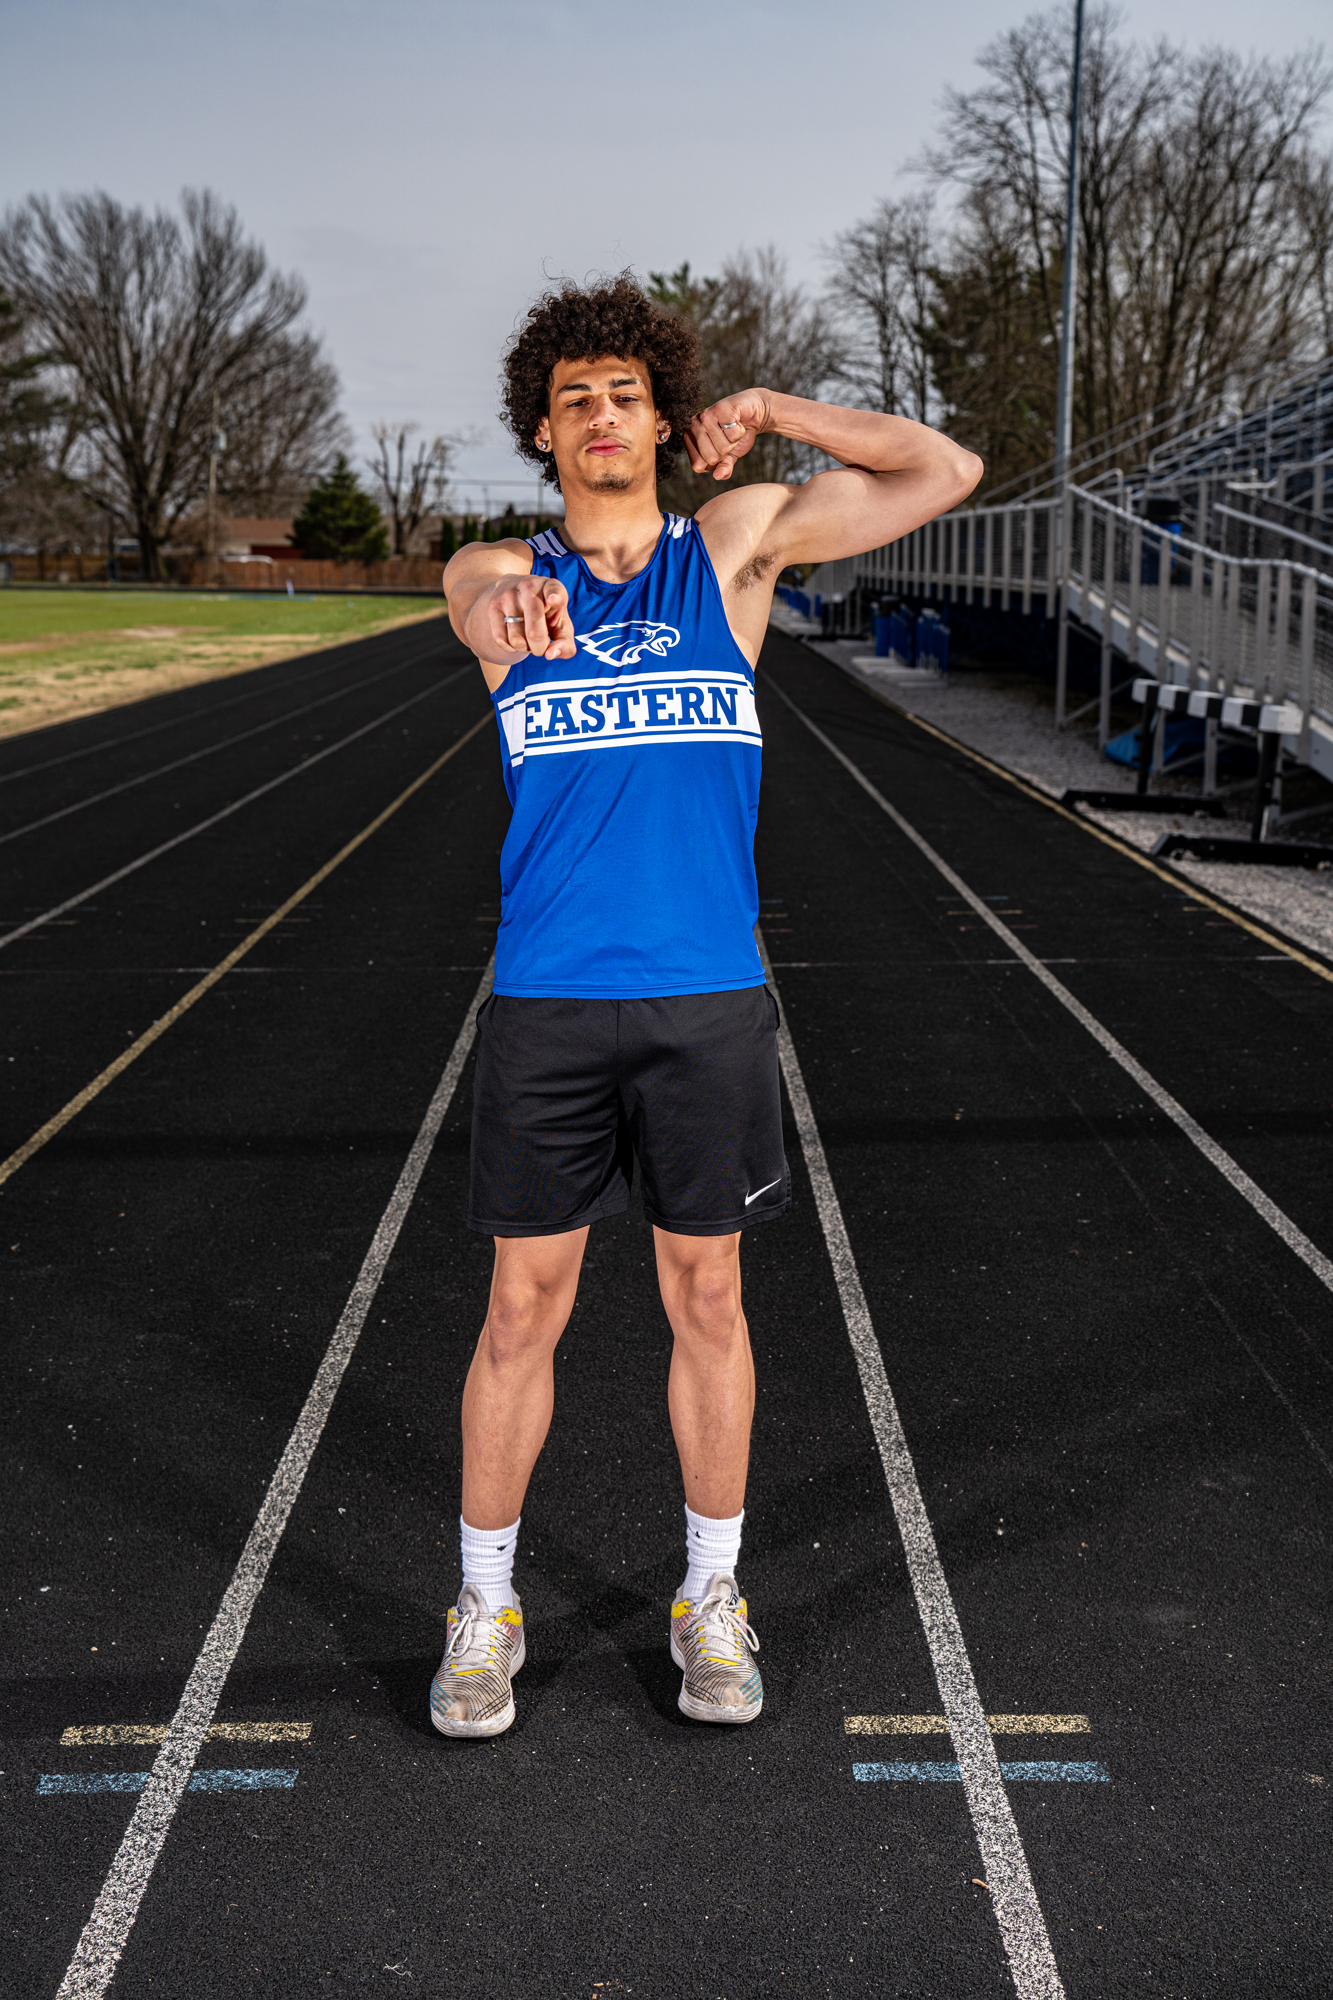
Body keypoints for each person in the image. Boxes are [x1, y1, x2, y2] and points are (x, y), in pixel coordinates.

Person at [431, 274, 981, 1739]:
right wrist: (506, 606)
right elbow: (475, 599)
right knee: (519, 1309)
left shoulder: (733, 548)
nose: (601, 416)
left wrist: (781, 410)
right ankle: (482, 1608)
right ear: (543, 433)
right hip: (550, 1000)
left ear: (663, 417)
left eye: (625, 393)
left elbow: (942, 471)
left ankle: (711, 1597)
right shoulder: (498, 571)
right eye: (574, 400)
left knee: (709, 1296)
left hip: (707, 1002)